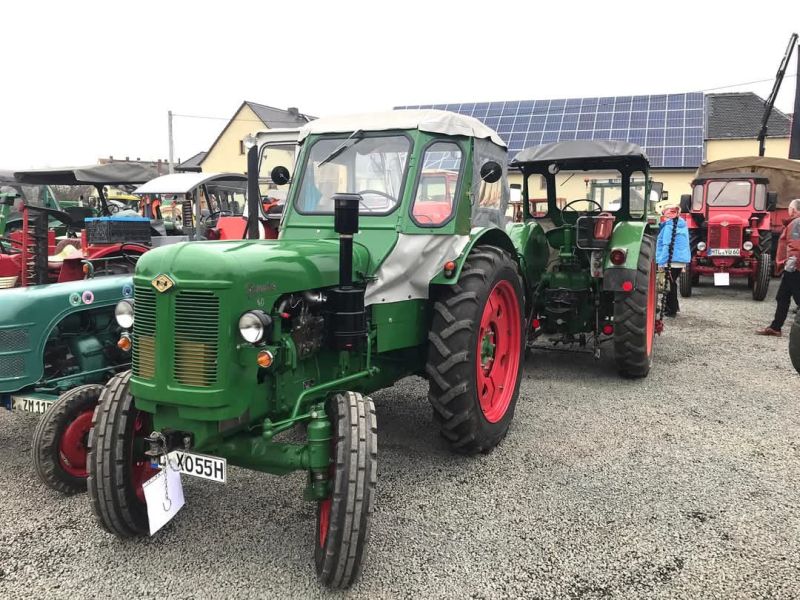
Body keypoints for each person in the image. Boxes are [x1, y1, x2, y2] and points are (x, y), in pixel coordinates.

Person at [756, 198, 800, 336]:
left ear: (793, 210)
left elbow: (795, 246)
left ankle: (776, 327)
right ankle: (775, 327)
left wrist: (791, 266)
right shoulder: (795, 223)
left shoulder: (796, 223)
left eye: (789, 208)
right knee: (782, 297)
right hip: (792, 267)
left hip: (794, 267)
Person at [656, 204, 691, 317]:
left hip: (670, 260)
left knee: (668, 285)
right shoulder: (682, 224)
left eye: (665, 213)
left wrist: (661, 262)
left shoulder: (669, 226)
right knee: (672, 283)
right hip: (680, 260)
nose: (664, 215)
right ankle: (674, 307)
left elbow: (666, 245)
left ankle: (671, 310)